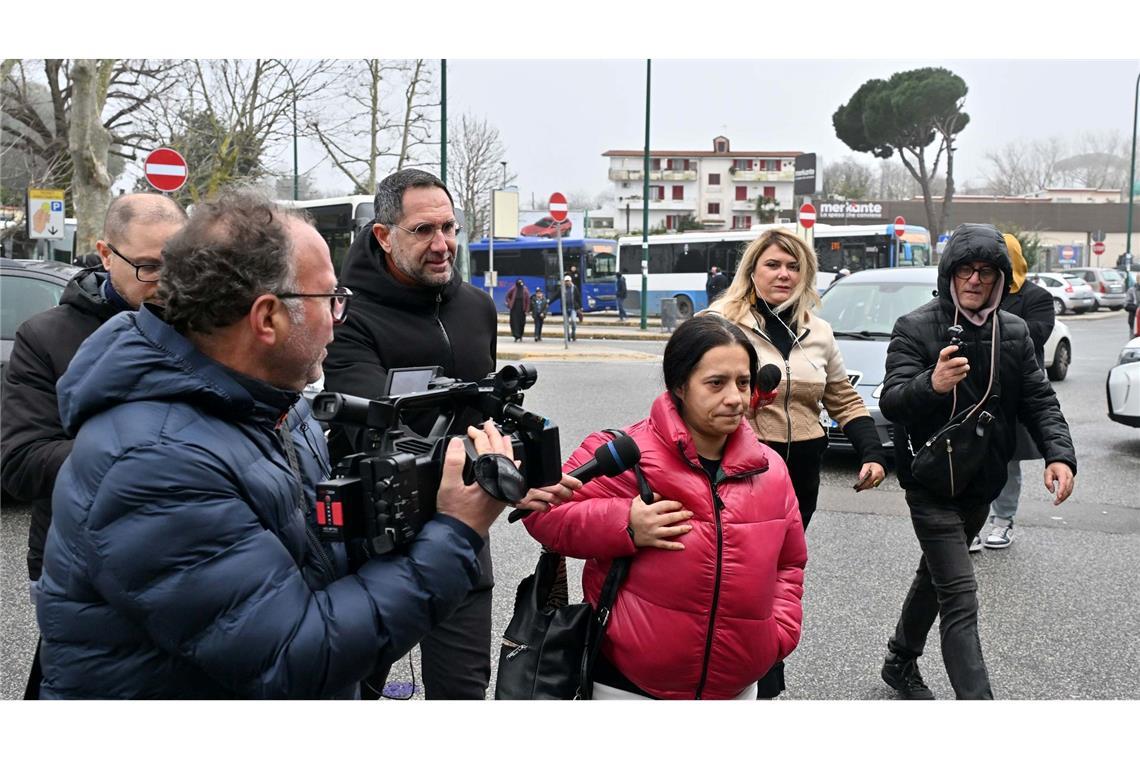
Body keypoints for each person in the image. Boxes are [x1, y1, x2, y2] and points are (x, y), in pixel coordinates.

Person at [33, 190, 514, 698]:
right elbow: (293, 658)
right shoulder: (154, 463)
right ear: (266, 318)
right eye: (331, 299)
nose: (338, 317)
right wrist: (456, 531)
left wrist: (427, 497)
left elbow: (320, 558)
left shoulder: (276, 405)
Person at [520, 314, 807, 699]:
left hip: (738, 689)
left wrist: (777, 634)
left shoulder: (771, 469)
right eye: (716, 383)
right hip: (627, 687)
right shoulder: (624, 454)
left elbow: (789, 563)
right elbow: (544, 513)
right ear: (679, 386)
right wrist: (626, 523)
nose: (735, 398)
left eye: (743, 382)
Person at [879, 223, 1076, 700]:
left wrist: (1059, 455)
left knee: (936, 576)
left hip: (980, 482)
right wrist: (933, 383)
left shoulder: (1013, 332)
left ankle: (899, 659)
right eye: (966, 269)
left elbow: (1039, 399)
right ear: (950, 274)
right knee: (960, 596)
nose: (975, 280)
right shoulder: (915, 326)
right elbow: (892, 401)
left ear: (1000, 279)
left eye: (987, 272)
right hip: (929, 483)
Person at [1, 193, 186, 699]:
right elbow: (19, 463)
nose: (166, 283)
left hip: (185, 556)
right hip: (78, 562)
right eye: (147, 266)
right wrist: (156, 456)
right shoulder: (46, 336)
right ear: (105, 255)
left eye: (179, 264)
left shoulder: (206, 327)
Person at [322, 168, 499, 700]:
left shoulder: (477, 308)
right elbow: (374, 432)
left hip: (465, 532)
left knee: (462, 698)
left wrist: (513, 462)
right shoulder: (347, 316)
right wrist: (478, 464)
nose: (442, 244)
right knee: (352, 694)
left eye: (449, 228)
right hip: (376, 541)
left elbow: (491, 410)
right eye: (423, 231)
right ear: (384, 235)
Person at [706, 226, 886, 697]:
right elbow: (688, 393)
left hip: (802, 468)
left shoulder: (817, 330)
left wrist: (872, 451)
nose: (783, 274)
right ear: (752, 271)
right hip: (739, 465)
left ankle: (763, 661)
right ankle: (745, 672)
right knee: (739, 571)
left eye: (793, 266)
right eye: (773, 264)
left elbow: (843, 397)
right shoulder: (720, 322)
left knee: (779, 570)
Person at [969, 234, 1055, 552]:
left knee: (1007, 461)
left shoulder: (1038, 297)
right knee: (971, 458)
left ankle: (1003, 521)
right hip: (976, 390)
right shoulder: (978, 291)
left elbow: (1037, 334)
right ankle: (972, 523)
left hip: (1015, 394)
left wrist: (989, 326)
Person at [549, 274, 579, 341]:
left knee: (573, 321)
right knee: (566, 323)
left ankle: (573, 333)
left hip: (573, 308)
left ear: (571, 281)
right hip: (565, 308)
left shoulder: (574, 288)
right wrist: (548, 302)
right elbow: (555, 296)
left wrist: (580, 307)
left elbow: (578, 297)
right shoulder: (561, 289)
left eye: (568, 281)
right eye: (566, 281)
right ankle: (567, 335)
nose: (567, 282)